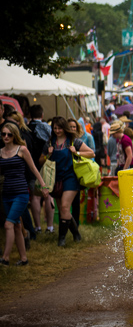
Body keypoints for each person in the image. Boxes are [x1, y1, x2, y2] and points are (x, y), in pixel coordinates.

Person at [40, 116, 95, 247]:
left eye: (60, 128)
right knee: (63, 210)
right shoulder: (49, 142)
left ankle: (61, 239)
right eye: (55, 128)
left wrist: (77, 152)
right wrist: (47, 154)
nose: (58, 130)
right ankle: (76, 234)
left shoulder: (73, 141)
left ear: (64, 128)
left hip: (70, 177)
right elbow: (40, 161)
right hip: (56, 178)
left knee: (64, 207)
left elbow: (92, 153)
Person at [0, 122, 50, 266]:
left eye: (9, 134)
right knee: (16, 226)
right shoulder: (1, 152)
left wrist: (43, 185)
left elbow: (34, 168)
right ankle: (24, 259)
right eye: (3, 134)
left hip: (21, 193)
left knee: (8, 224)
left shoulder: (22, 150)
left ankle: (5, 258)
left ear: (14, 135)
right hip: (6, 193)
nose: (6, 137)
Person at [27, 105, 54, 233]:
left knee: (35, 197)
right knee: (48, 195)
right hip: (46, 165)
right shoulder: (46, 128)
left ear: (29, 115)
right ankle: (49, 226)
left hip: (30, 165)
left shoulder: (25, 128)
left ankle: (37, 227)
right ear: (42, 115)